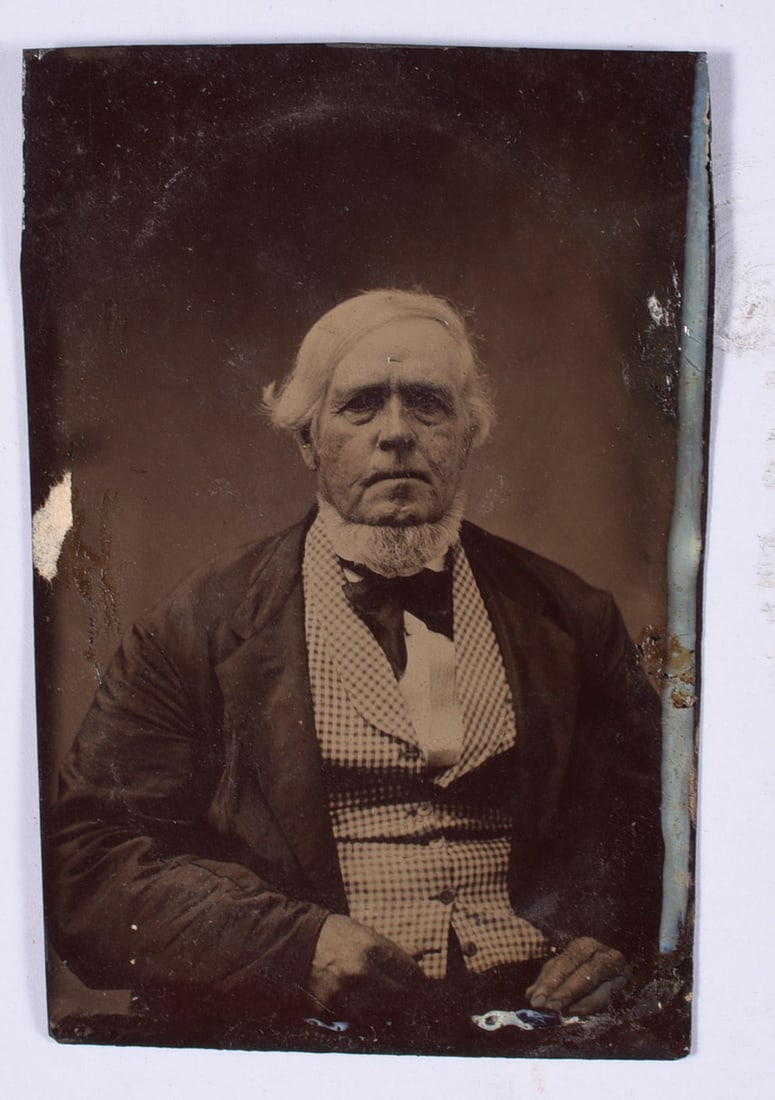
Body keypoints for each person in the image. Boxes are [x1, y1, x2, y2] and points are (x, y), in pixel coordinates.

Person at [49, 289, 663, 1052]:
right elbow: (89, 867)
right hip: (302, 1030)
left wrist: (613, 950)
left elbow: (653, 839)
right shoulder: (197, 628)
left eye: (429, 405)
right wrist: (292, 949)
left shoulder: (572, 617)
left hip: (532, 1029)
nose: (397, 434)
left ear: (469, 433)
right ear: (309, 440)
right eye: (361, 406)